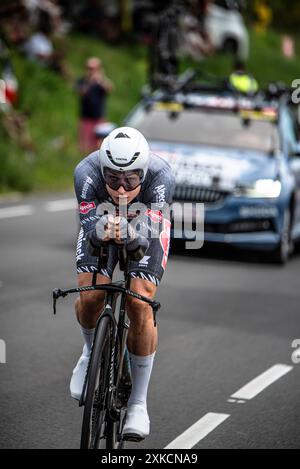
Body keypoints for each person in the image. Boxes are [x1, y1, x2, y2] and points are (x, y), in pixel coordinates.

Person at [71, 126, 175, 440]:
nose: (120, 188)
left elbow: (149, 232)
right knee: (91, 296)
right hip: (101, 222)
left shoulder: (161, 177)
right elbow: (88, 225)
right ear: (101, 167)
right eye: (112, 178)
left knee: (139, 303)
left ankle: (139, 403)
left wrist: (131, 234)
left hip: (145, 225)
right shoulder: (85, 173)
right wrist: (102, 228)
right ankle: (91, 353)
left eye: (130, 179)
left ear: (143, 172)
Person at [77, 57, 113, 153]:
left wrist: (100, 79)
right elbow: (81, 92)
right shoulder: (83, 81)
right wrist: (90, 82)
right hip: (86, 118)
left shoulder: (101, 82)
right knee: (85, 146)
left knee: (100, 146)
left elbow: (110, 89)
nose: (91, 71)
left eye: (94, 68)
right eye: (89, 68)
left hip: (99, 117)